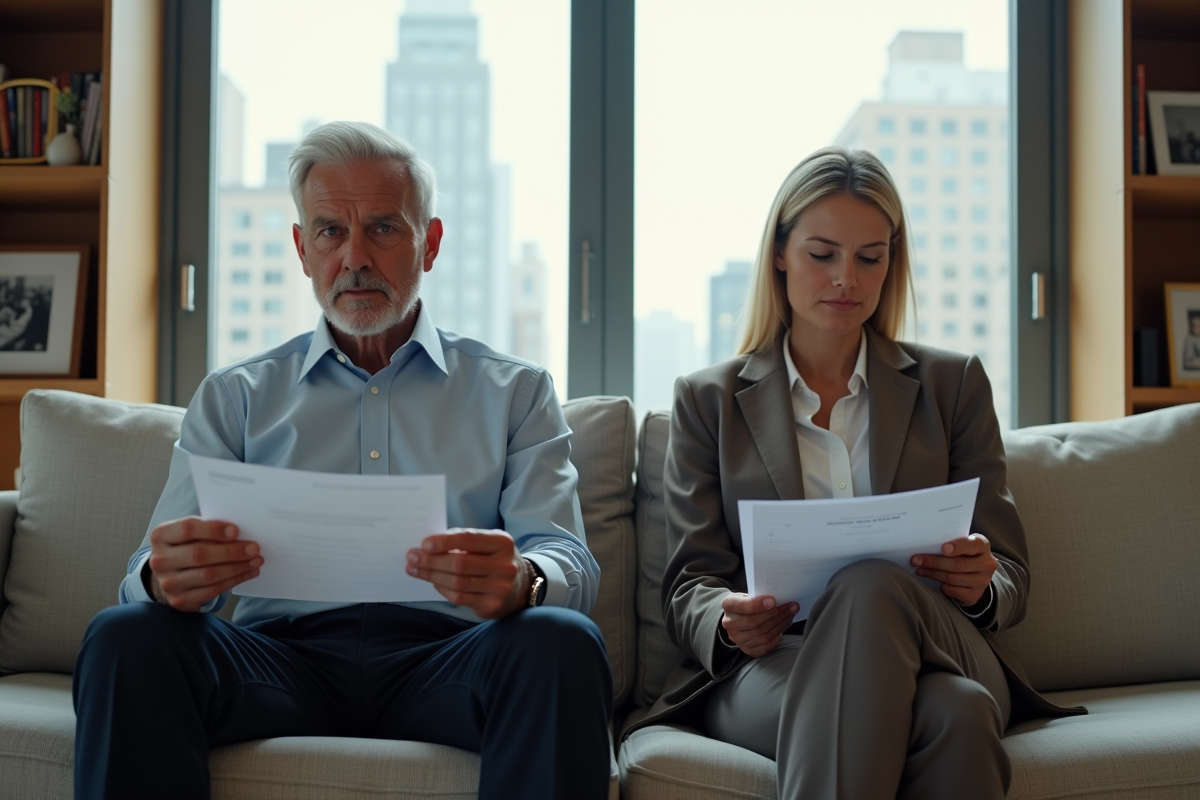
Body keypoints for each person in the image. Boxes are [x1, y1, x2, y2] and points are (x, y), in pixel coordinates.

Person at [72, 121, 613, 800]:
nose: (354, 256)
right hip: (277, 660)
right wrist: (163, 578)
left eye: (384, 228)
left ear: (431, 243)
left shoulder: (517, 390)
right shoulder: (237, 396)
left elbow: (570, 564)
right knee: (127, 634)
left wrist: (526, 581)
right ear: (302, 248)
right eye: (330, 231)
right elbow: (147, 574)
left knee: (560, 643)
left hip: (449, 659)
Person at [626, 148, 1083, 799]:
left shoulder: (952, 385)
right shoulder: (710, 400)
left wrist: (981, 582)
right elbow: (689, 584)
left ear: (891, 263)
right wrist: (725, 618)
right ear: (780, 252)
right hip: (774, 661)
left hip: (938, 638)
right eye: (823, 254)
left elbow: (1008, 574)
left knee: (868, 584)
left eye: (870, 257)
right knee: (956, 715)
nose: (847, 278)